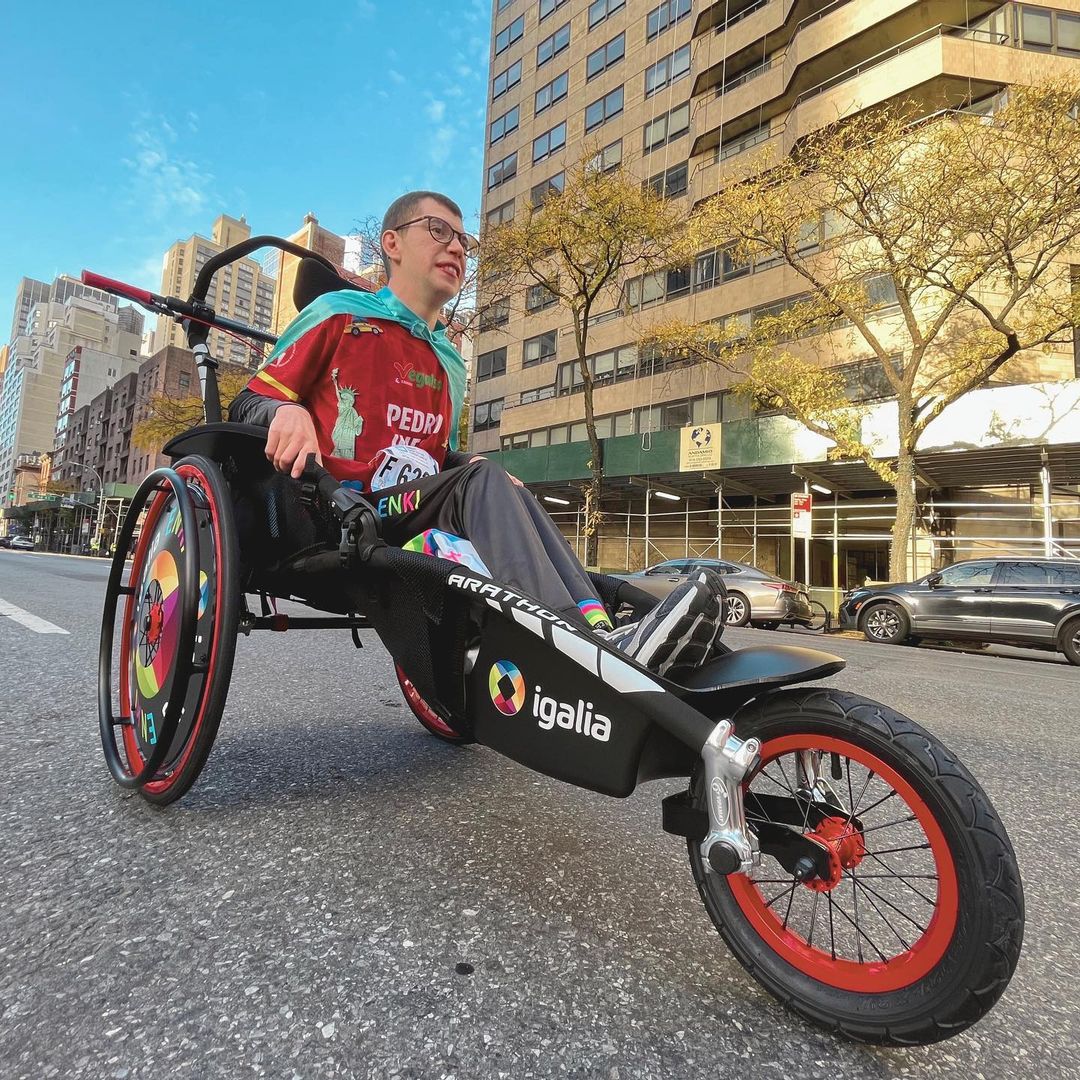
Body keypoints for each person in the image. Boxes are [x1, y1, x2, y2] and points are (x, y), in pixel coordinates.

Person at [230, 191, 724, 678]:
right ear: (393, 244)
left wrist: (470, 465)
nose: (457, 248)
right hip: (335, 508)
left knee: (498, 480)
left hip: (409, 509)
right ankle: (582, 644)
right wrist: (283, 410)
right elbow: (248, 401)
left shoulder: (449, 363)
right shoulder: (340, 314)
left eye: (464, 240)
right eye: (438, 231)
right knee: (480, 479)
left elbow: (436, 454)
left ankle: (601, 627)